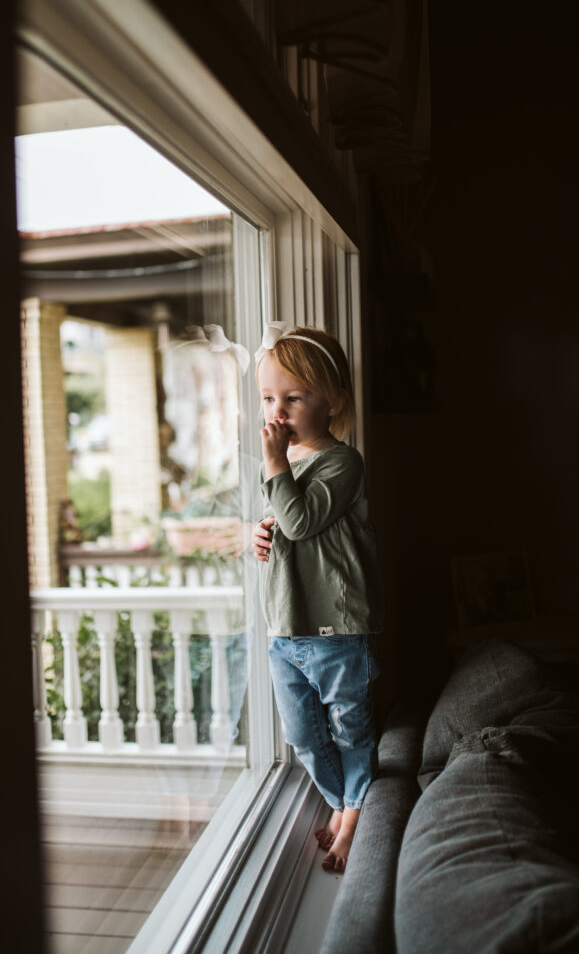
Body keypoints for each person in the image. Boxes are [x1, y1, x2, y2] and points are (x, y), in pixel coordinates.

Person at [252, 322, 383, 873]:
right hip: (286, 627)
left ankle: (354, 813)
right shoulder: (289, 465)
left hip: (335, 627)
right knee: (303, 735)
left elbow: (302, 522)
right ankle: (342, 799)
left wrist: (276, 465)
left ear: (333, 403)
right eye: (267, 399)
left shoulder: (341, 461)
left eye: (293, 398)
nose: (277, 412)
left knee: (351, 728)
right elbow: (284, 524)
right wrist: (254, 532)